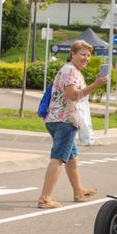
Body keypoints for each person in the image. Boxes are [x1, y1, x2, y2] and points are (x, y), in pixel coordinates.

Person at [38, 40, 107, 209]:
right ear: (73, 54)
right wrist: (95, 85)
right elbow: (73, 95)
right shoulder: (70, 71)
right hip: (65, 120)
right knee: (59, 158)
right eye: (82, 54)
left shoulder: (71, 70)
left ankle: (78, 191)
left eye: (88, 55)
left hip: (57, 118)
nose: (86, 58)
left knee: (72, 157)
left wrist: (93, 85)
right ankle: (45, 198)